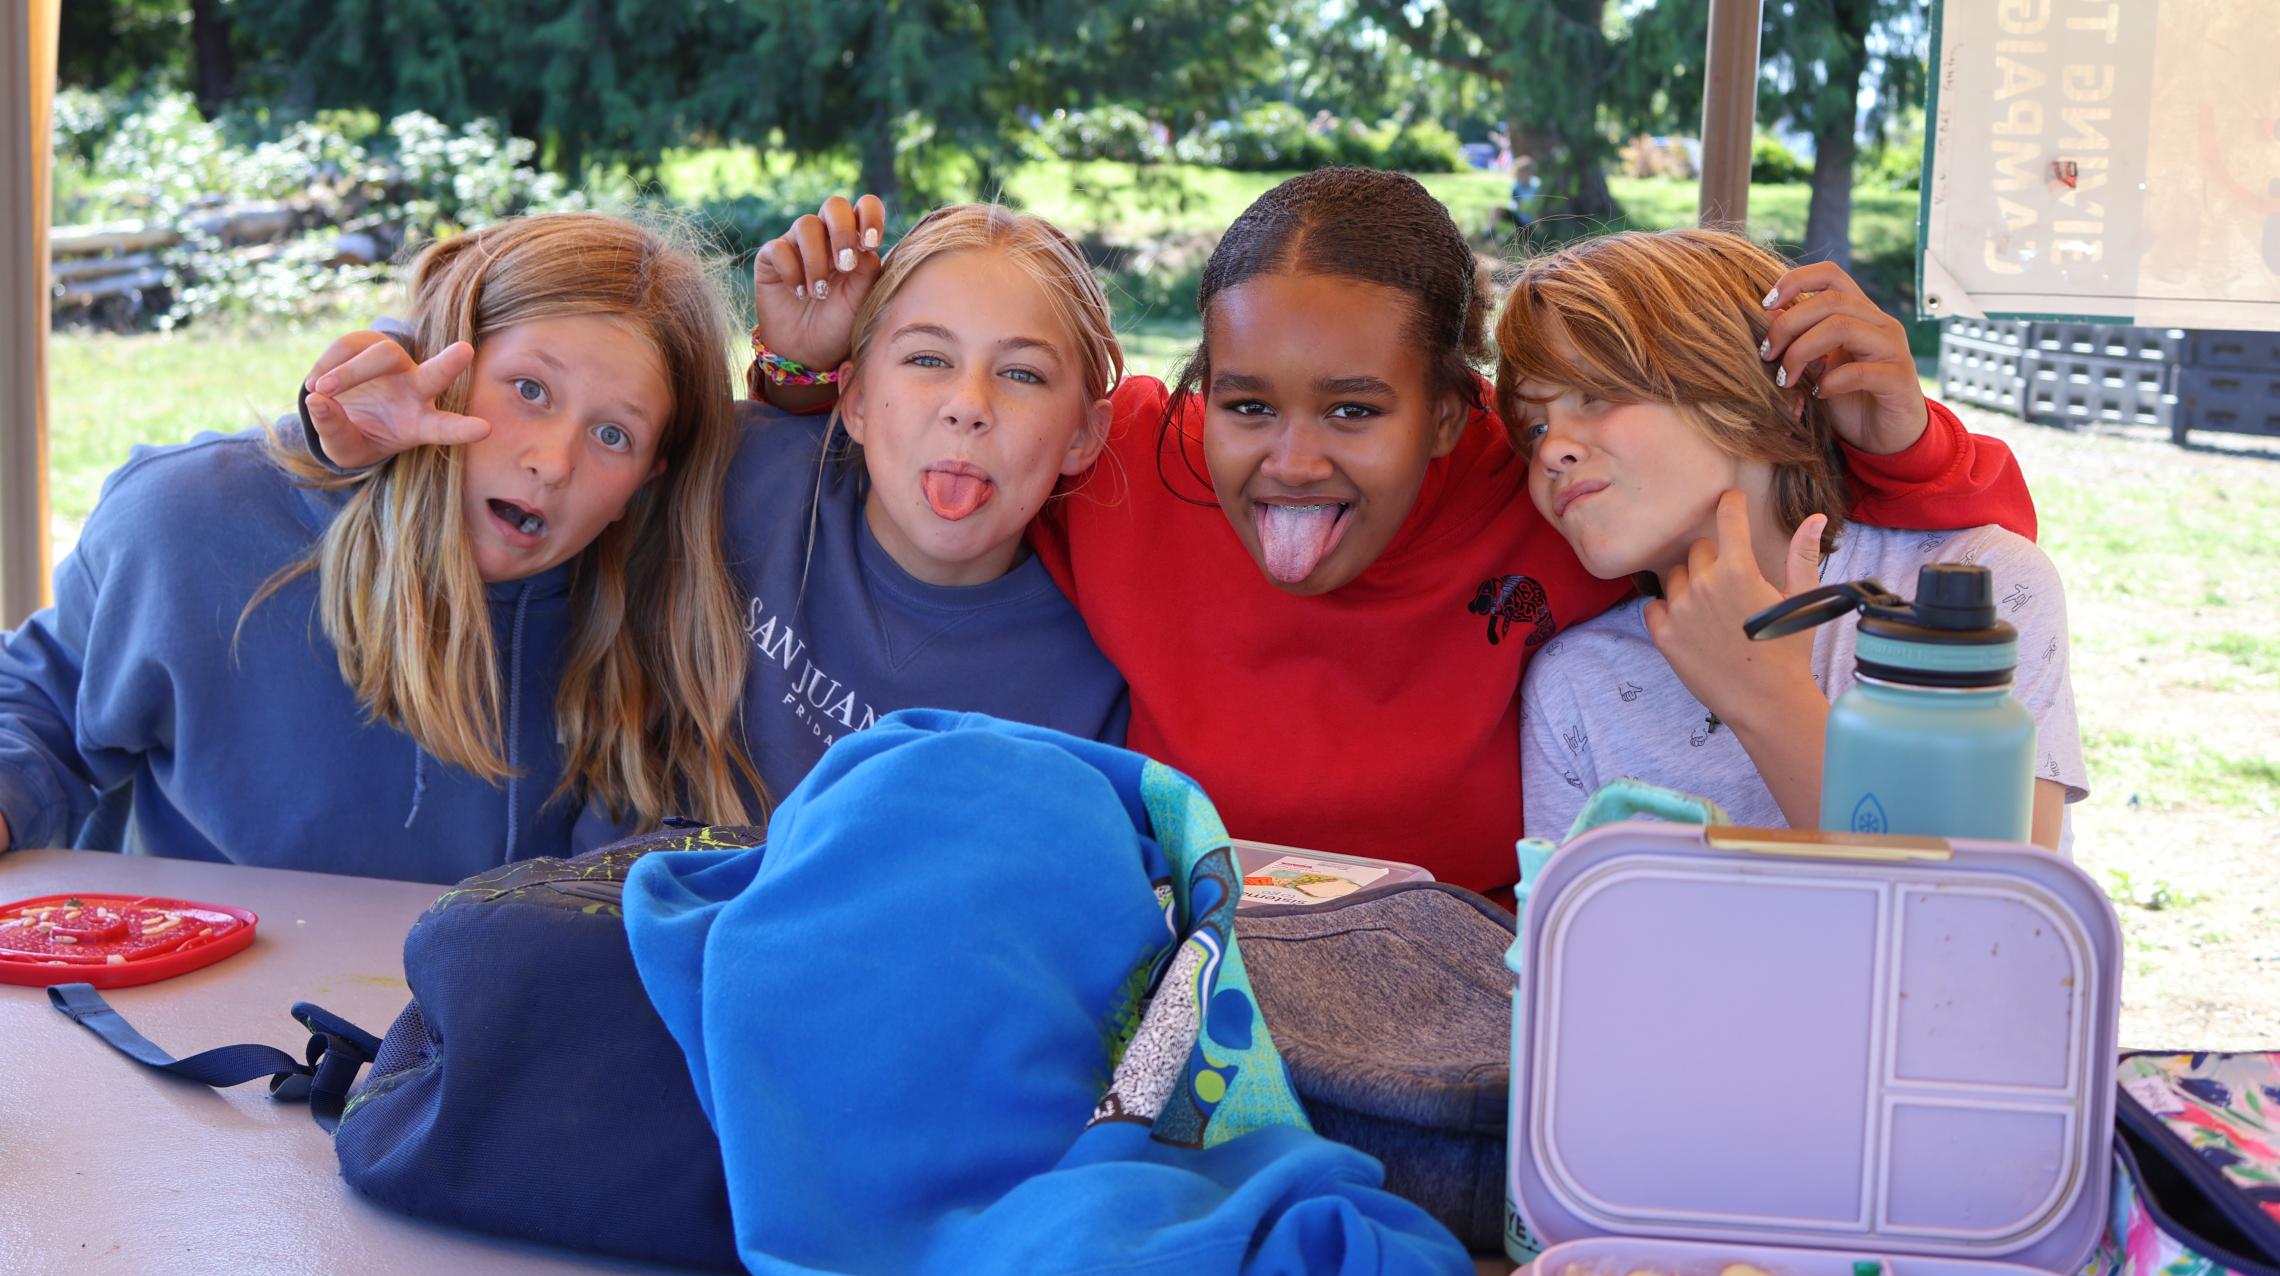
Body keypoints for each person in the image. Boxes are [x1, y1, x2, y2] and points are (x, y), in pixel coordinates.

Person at [741, 171, 2037, 897]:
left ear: (1451, 419)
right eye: (1248, 404)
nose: (1291, 458)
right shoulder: (1125, 460)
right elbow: (935, 451)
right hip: (1201, 989)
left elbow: (1940, 552)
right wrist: (803, 377)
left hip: (1452, 1003)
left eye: (1354, 410)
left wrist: (1903, 438)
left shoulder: (1544, 490)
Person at [0, 212, 758, 879]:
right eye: (529, 390)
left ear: (651, 478)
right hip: (184, 1016)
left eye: (612, 435)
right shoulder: (190, 518)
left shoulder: (658, 621)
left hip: (458, 1034)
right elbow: (41, 703)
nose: (553, 462)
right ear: (442, 367)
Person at [300, 204, 1128, 804]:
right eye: (925, 360)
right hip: (617, 944)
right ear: (857, 399)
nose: (968, 404)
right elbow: (513, 405)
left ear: (1086, 435)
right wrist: (343, 418)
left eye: (1022, 373)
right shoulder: (747, 472)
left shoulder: (1096, 667)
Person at [1504, 229, 2084, 851]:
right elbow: (1574, 943)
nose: (1553, 450)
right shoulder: (1572, 683)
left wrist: (1769, 700)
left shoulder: (1980, 588)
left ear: (1776, 394)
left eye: (1599, 394)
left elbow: (1998, 928)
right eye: (1534, 427)